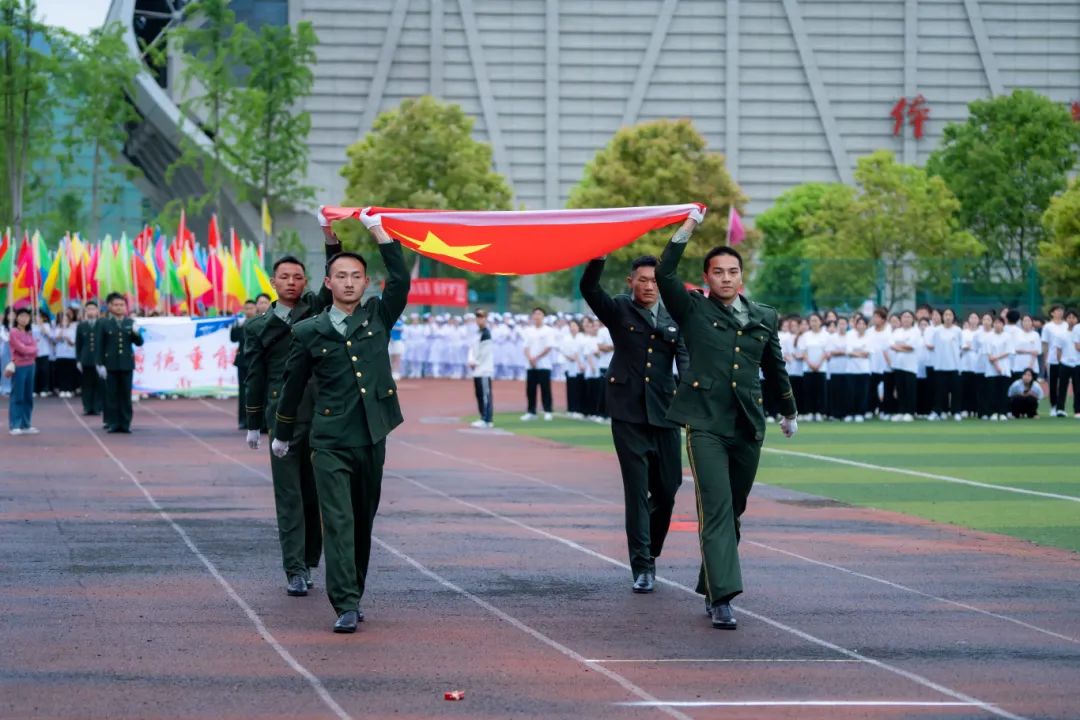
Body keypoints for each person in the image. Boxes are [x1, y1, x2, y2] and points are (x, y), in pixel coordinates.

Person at [656, 210, 798, 630]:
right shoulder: (693, 310)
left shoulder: (764, 316)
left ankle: (710, 579)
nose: (726, 278)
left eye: (732, 271)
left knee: (733, 510)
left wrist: (788, 409)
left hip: (748, 425)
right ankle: (722, 597)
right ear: (706, 276)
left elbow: (775, 367)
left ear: (741, 276)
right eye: (717, 272)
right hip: (705, 424)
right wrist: (687, 228)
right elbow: (665, 275)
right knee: (716, 509)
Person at [270, 211, 409, 634]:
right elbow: (292, 386)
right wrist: (281, 434)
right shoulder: (310, 331)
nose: (349, 282)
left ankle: (355, 590)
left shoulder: (378, 318)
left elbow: (400, 280)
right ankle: (344, 602)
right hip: (328, 439)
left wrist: (378, 231)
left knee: (363, 520)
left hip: (371, 436)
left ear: (365, 283)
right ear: (327, 284)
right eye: (340, 276)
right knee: (339, 521)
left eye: (356, 276)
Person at [580, 253, 689, 594]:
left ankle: (651, 549)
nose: (649, 286)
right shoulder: (618, 309)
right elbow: (588, 287)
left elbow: (685, 360)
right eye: (642, 279)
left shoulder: (675, 315)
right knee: (636, 492)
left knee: (668, 489)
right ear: (630, 282)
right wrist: (599, 256)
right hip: (627, 410)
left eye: (655, 280)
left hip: (665, 411)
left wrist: (691, 402)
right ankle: (642, 566)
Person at [244, 237, 340, 598]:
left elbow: (333, 280)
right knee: (288, 496)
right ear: (273, 282)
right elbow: (253, 375)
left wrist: (331, 241)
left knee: (314, 494)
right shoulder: (257, 326)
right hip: (281, 418)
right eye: (284, 277)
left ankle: (310, 560)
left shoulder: (315, 310)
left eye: (298, 277)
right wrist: (254, 423)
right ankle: (294, 569)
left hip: (318, 414)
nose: (291, 282)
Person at [94, 292, 145, 433]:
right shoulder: (103, 323)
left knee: (125, 396)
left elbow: (140, 342)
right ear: (109, 306)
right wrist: (99, 364)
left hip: (126, 364)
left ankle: (125, 423)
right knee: (111, 395)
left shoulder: (130, 323)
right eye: (116, 305)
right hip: (110, 364)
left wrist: (136, 333)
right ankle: (113, 423)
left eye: (122, 305)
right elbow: (99, 344)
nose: (119, 308)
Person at [7, 308, 39, 435]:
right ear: (17, 318)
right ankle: (15, 424)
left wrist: (28, 350)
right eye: (21, 316)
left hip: (30, 365)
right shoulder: (13, 332)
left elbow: (35, 349)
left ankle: (26, 424)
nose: (24, 318)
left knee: (28, 396)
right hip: (19, 366)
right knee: (18, 395)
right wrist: (29, 349)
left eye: (26, 316)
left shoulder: (29, 333)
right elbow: (20, 348)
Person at [521, 307, 556, 421]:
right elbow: (525, 347)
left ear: (543, 317)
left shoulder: (548, 330)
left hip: (544, 365)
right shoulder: (528, 331)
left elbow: (548, 347)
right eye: (535, 314)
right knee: (530, 389)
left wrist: (536, 358)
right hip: (530, 365)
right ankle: (531, 411)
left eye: (539, 314)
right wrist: (530, 359)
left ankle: (548, 410)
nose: (537, 316)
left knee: (545, 388)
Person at [927, 308, 962, 420]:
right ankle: (937, 411)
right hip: (940, 366)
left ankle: (956, 412)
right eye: (946, 314)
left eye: (950, 315)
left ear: (953, 317)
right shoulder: (937, 331)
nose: (947, 317)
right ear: (943, 317)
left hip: (954, 366)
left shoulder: (958, 330)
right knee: (939, 391)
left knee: (956, 391)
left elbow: (961, 346)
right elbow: (933, 346)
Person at [231, 299, 257, 431]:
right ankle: (243, 420)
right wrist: (235, 326)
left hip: (256, 362)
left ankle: (255, 421)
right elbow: (233, 339)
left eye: (251, 308)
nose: (249, 311)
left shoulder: (260, 324)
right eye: (246, 308)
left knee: (255, 392)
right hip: (242, 362)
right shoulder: (241, 324)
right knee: (243, 393)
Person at [467, 309, 495, 428]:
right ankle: (483, 417)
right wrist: (471, 359)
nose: (479, 319)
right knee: (479, 394)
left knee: (485, 394)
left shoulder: (486, 333)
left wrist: (475, 361)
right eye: (478, 317)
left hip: (484, 369)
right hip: (477, 369)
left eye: (482, 317)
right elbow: (473, 349)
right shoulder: (477, 333)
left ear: (486, 319)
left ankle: (487, 419)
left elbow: (485, 352)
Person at [981, 316, 1012, 421]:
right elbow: (989, 354)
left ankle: (1003, 412)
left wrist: (997, 360)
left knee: (1003, 392)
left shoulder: (1007, 336)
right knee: (992, 392)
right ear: (993, 324)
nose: (997, 325)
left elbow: (1008, 351)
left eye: (1000, 323)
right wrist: (996, 366)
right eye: (996, 323)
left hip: (1005, 369)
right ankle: (993, 413)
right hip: (991, 369)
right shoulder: (988, 337)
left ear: (1003, 325)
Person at [75, 301, 104, 416]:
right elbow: (78, 344)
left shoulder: (102, 324)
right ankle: (87, 407)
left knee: (99, 384)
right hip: (85, 358)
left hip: (99, 359)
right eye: (88, 309)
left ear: (97, 311)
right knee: (86, 385)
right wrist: (78, 360)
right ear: (85, 311)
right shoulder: (81, 326)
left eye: (93, 308)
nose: (91, 311)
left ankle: (97, 407)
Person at [1051, 309, 1079, 418]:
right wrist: (1061, 362)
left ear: (1077, 319)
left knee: (1078, 388)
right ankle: (1060, 409)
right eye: (1069, 317)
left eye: (1074, 317)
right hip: (1065, 363)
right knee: (1062, 387)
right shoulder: (1061, 334)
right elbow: (1058, 350)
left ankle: (1077, 411)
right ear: (1065, 319)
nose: (1071, 319)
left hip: (1078, 364)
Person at [1041, 305, 1068, 416]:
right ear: (1052, 313)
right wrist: (1045, 359)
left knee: (1063, 384)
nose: (1060, 312)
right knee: (1052, 384)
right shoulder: (1048, 327)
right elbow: (1045, 343)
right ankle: (1053, 406)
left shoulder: (1066, 325)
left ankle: (1061, 408)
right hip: (1052, 359)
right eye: (1057, 311)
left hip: (1065, 360)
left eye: (1061, 310)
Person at [52, 308, 79, 399]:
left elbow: (73, 343)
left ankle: (70, 389)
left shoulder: (73, 329)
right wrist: (60, 335)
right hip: (60, 355)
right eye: (62, 320)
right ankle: (62, 389)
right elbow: (54, 341)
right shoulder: (57, 329)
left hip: (71, 355)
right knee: (61, 373)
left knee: (70, 373)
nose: (64, 321)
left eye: (66, 320)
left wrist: (67, 338)